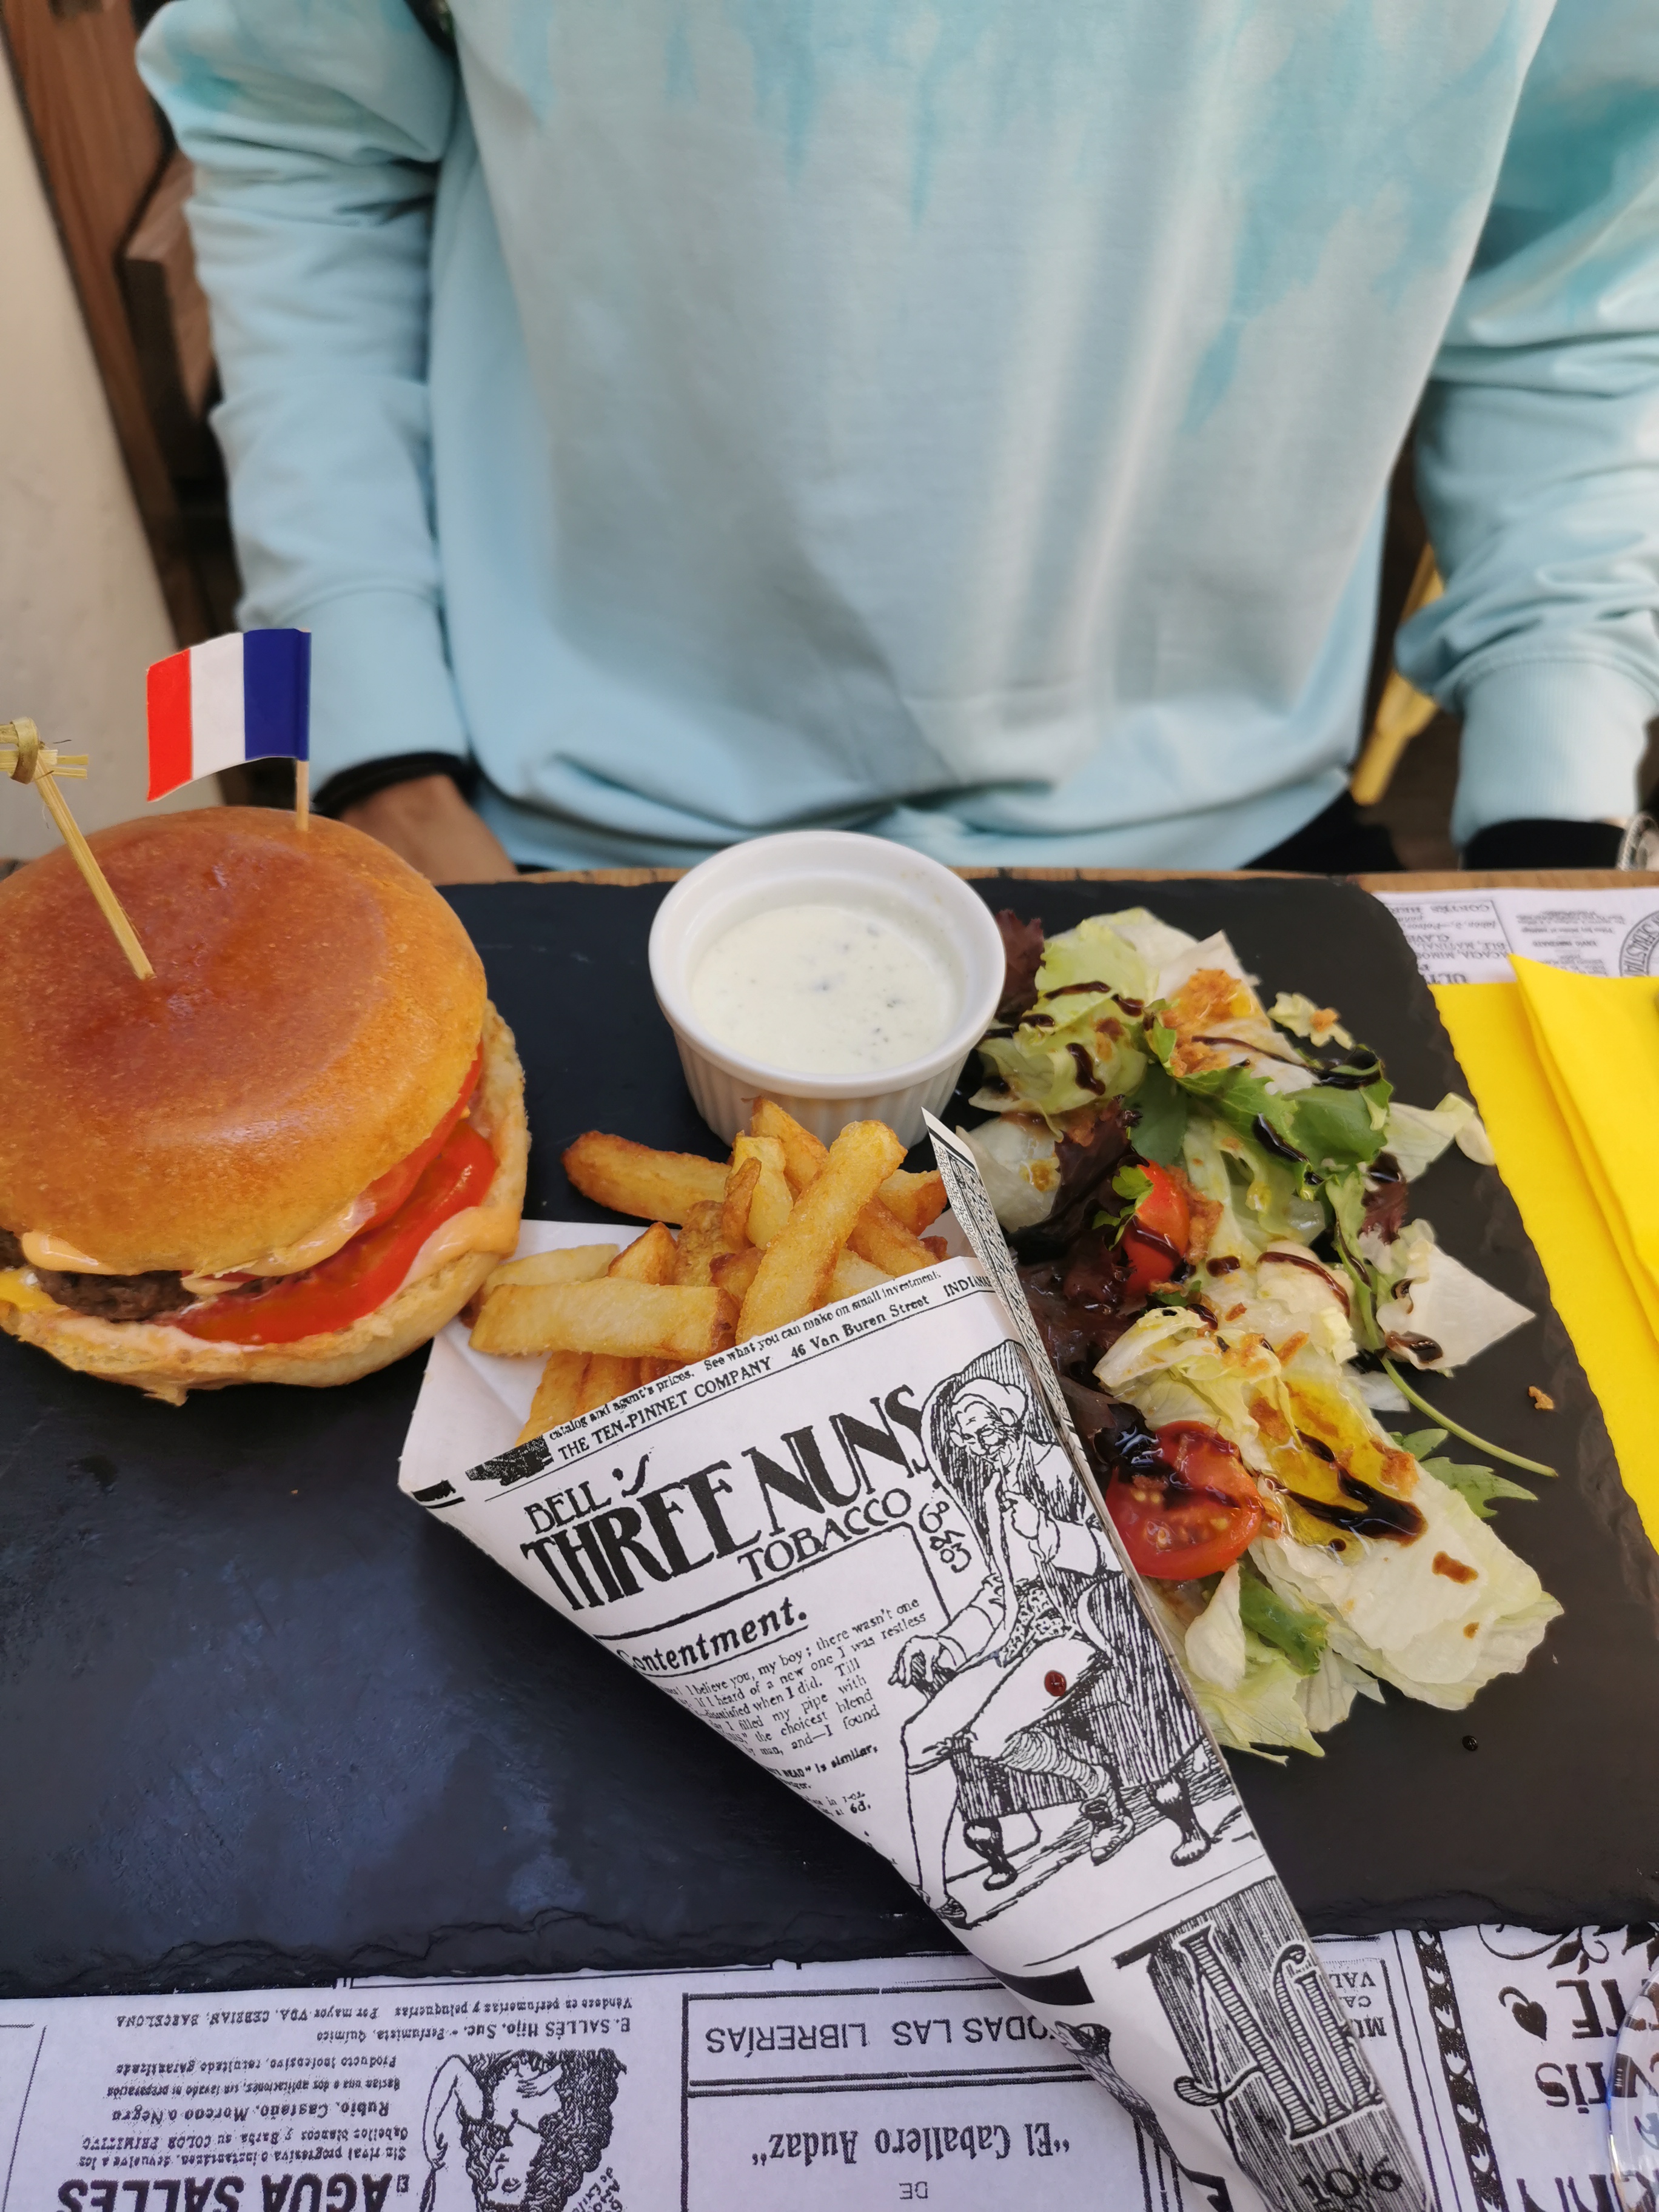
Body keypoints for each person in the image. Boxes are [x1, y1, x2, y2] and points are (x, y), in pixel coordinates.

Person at [139, 2, 1659, 883]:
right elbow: (298, 141)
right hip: (533, 830)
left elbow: (1581, 266)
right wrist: (366, 751)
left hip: (1235, 836)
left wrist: (1559, 801)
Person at [892, 1369, 1213, 1922]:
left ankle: (1100, 1792)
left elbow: (1112, 1552)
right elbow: (999, 1592)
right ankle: (935, 1892)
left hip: (1076, 1626)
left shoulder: (1054, 1465)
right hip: (1014, 1638)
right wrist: (945, 1643)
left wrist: (1048, 1534)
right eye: (969, 1435)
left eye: (985, 1426)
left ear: (1009, 1417)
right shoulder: (993, 1493)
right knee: (918, 1736)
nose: (980, 1441)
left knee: (989, 1736)